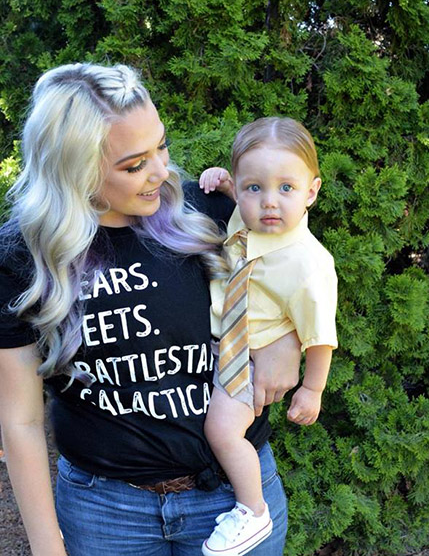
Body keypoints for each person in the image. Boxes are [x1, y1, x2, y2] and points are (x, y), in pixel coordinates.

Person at [0, 63, 301, 556]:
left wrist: (288, 341)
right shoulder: (23, 258)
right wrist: (46, 545)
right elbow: (22, 422)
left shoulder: (209, 214)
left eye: (160, 145)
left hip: (234, 501)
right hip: (105, 515)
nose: (163, 171)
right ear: (74, 168)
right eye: (133, 164)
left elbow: (302, 271)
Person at [198, 117, 338, 556]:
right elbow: (243, 195)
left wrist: (312, 389)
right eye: (254, 188)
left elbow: (319, 337)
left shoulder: (308, 264)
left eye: (286, 189)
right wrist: (220, 183)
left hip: (250, 357)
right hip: (224, 345)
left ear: (311, 192)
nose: (270, 203)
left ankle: (252, 511)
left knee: (222, 430)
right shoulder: (248, 215)